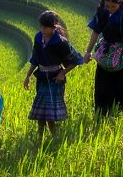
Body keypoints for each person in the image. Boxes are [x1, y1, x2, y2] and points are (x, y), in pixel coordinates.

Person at [23, 10, 82, 139]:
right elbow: (35, 59)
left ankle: (54, 136)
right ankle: (40, 136)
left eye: (46, 27)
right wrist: (27, 76)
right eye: (41, 26)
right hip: (42, 77)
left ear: (53, 27)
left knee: (50, 112)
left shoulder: (61, 42)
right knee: (41, 110)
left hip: (55, 78)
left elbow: (74, 61)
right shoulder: (38, 38)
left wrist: (63, 73)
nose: (43, 29)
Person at [84, 0, 123, 115]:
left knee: (120, 90)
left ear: (120, 4)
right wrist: (88, 52)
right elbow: (95, 32)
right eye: (107, 5)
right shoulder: (101, 11)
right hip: (105, 54)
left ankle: (118, 117)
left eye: (113, 6)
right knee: (101, 88)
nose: (110, 8)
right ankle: (101, 116)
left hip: (122, 56)